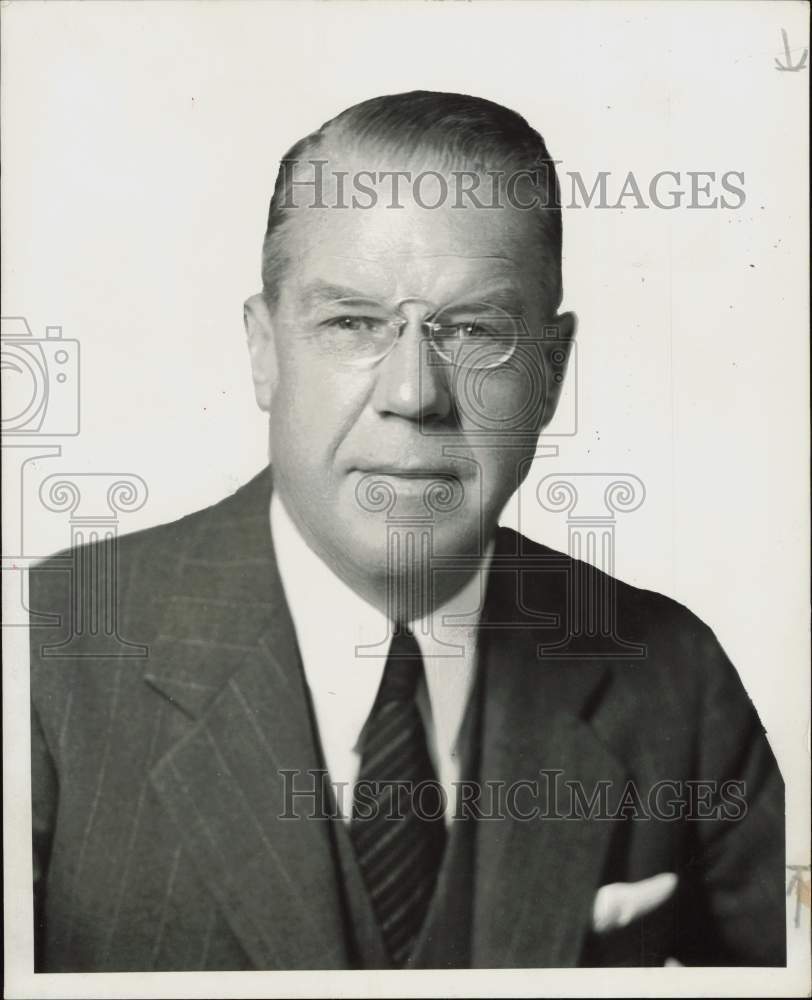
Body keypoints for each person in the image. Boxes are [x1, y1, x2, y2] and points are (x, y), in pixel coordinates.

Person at [29, 91, 785, 972]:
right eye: (352, 322)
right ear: (264, 350)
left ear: (549, 374)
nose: (415, 393)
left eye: (474, 331)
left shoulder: (676, 675)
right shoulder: (47, 660)